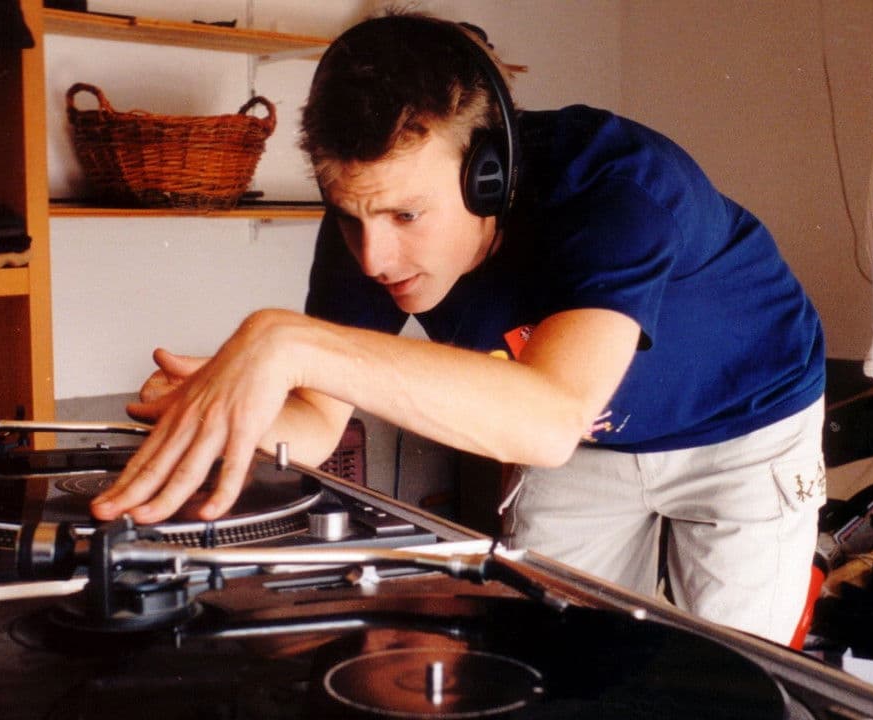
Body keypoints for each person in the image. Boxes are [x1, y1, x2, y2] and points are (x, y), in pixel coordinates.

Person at [92, 11, 827, 644]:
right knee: (557, 658)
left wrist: (292, 342)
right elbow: (316, 420)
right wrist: (227, 406)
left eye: (407, 215)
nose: (375, 258)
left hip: (744, 425)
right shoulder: (369, 215)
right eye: (350, 217)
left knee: (735, 678)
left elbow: (548, 421)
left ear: (488, 177)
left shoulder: (618, 185)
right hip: (592, 443)